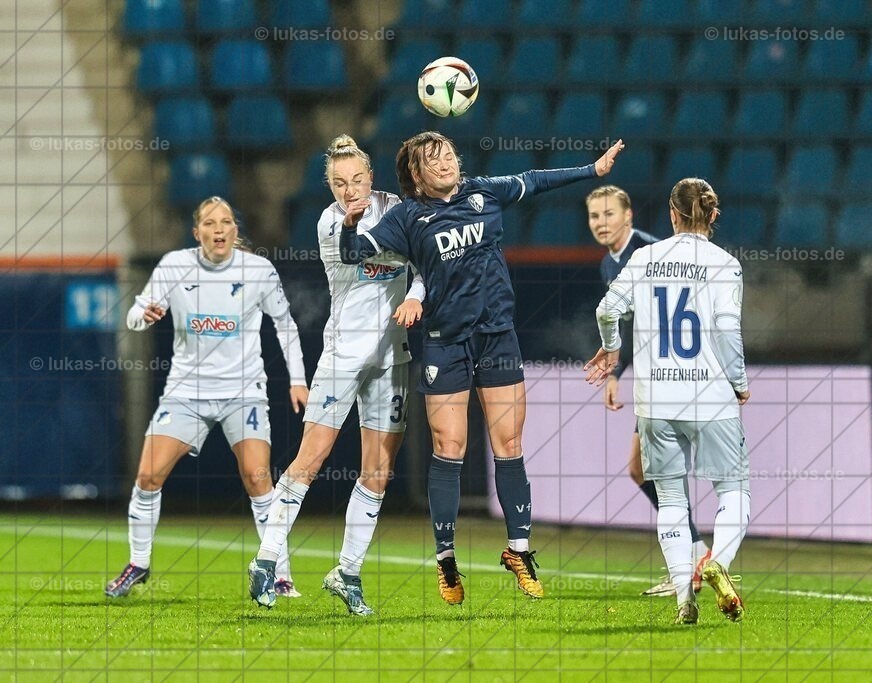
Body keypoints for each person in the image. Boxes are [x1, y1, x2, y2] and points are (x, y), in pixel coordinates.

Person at [338, 131, 625, 605]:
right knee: (449, 447)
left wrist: (590, 171)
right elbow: (355, 253)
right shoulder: (407, 217)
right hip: (445, 343)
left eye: (449, 152)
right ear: (415, 173)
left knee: (509, 443)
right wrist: (349, 226)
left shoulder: (484, 192)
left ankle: (519, 550)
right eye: (434, 159)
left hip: (497, 336)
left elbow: (534, 180)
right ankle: (447, 559)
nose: (446, 162)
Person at [247, 136, 426, 611]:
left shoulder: (399, 208)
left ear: (372, 178)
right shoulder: (331, 223)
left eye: (357, 180)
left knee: (379, 471)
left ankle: (347, 573)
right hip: (343, 356)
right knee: (311, 459)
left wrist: (417, 295)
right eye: (339, 183)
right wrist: (360, 228)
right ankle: (266, 560)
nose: (350, 190)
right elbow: (353, 253)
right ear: (330, 188)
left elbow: (428, 262)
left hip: (393, 357)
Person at [105, 197, 309, 599]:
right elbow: (134, 312)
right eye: (210, 223)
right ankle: (139, 564)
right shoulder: (174, 267)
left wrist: (298, 380)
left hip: (242, 392)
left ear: (236, 230)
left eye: (227, 222)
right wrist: (141, 316)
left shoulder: (258, 271)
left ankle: (280, 574)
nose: (219, 229)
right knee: (147, 476)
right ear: (196, 232)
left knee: (257, 478)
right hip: (186, 393)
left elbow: (286, 325)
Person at [586, 178, 751, 625]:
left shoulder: (644, 258)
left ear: (671, 214)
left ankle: (684, 598)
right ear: (713, 215)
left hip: (656, 400)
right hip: (710, 396)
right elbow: (725, 331)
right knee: (733, 491)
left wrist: (611, 346)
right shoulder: (725, 264)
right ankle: (718, 562)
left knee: (672, 499)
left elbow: (606, 310)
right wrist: (738, 382)